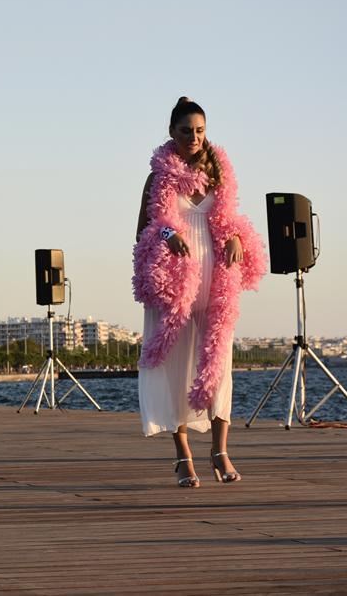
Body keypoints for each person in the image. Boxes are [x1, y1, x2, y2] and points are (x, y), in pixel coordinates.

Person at [133, 97, 266, 487]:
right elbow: (144, 229)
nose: (194, 137)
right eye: (186, 131)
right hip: (175, 283)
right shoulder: (158, 177)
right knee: (176, 368)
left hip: (216, 279)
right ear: (171, 133)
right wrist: (168, 233)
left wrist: (237, 238)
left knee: (218, 364)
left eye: (200, 131)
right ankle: (183, 457)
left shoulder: (218, 171)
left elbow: (230, 221)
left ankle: (220, 451)